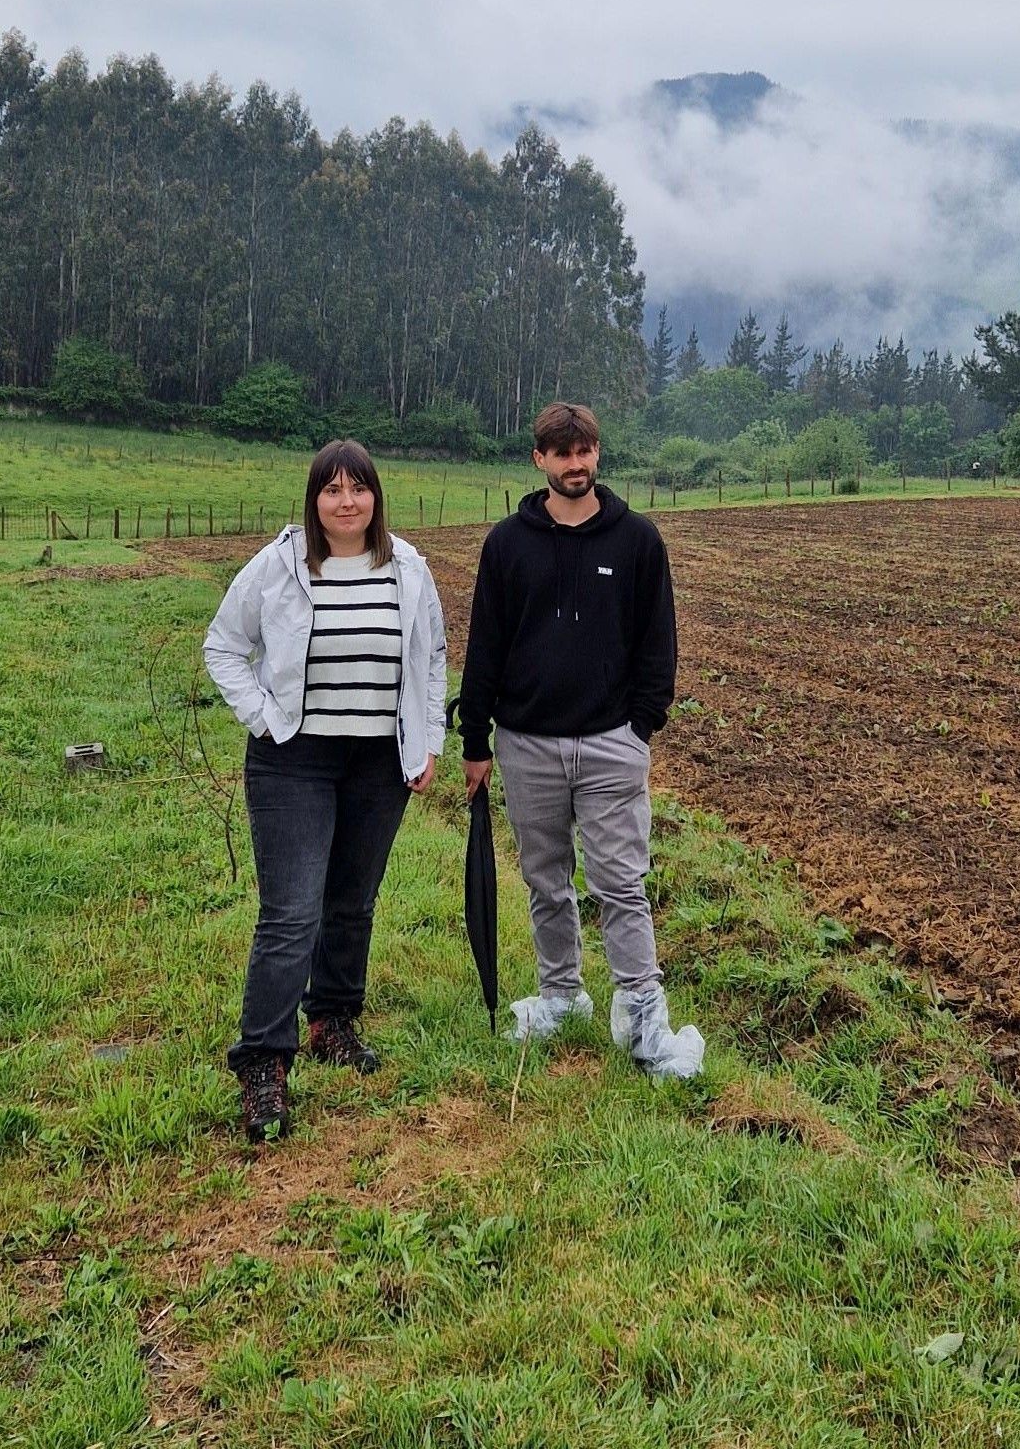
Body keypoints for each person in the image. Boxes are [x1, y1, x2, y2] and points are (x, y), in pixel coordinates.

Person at [204, 440, 447, 1141]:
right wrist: (263, 718)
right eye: (332, 489)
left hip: (379, 763)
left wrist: (426, 740)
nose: (347, 501)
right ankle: (263, 1060)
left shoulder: (409, 568)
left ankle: (333, 1021)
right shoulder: (279, 565)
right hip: (294, 761)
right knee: (291, 913)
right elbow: (224, 646)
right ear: (314, 500)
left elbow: (431, 656)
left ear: (376, 497)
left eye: (358, 488)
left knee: (352, 901)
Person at [459, 401, 704, 1079]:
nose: (576, 463)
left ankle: (646, 1025)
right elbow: (485, 646)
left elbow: (658, 644)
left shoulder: (637, 541)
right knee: (546, 881)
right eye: (562, 452)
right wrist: (475, 741)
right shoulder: (507, 544)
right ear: (539, 459)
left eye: (585, 450)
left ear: (597, 453)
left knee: (620, 883)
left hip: (610, 745)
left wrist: (639, 728)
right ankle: (562, 997)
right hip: (526, 745)